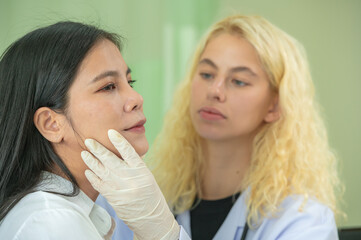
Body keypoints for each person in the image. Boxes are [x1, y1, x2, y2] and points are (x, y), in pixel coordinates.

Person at [88, 15, 342, 239]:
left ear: (274, 106)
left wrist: (164, 235)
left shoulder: (302, 221)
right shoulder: (140, 196)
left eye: (239, 81)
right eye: (207, 74)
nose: (215, 91)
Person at [0, 21, 181, 239]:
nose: (136, 99)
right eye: (108, 86)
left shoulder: (57, 215)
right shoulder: (54, 222)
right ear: (51, 124)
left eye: (130, 82)